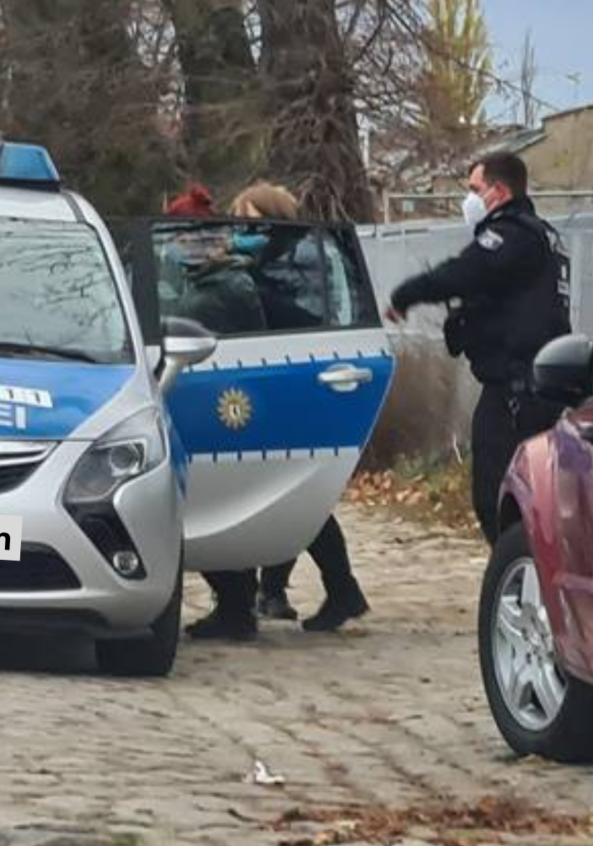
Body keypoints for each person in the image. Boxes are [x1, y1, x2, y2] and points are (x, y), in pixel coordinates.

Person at [175, 180, 371, 640]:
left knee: (284, 495)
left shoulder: (281, 264)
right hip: (288, 377)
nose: (236, 227)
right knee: (293, 495)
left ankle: (259, 601)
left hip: (284, 378)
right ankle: (295, 593)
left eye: (243, 217)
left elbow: (285, 317)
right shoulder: (273, 259)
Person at [386, 153, 571, 545]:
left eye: (474, 189)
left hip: (517, 394)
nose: (469, 199)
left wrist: (406, 295)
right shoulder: (541, 235)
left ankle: (520, 581)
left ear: (499, 191)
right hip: (531, 388)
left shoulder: (513, 234)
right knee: (524, 499)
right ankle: (525, 577)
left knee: (497, 497)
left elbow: (463, 272)